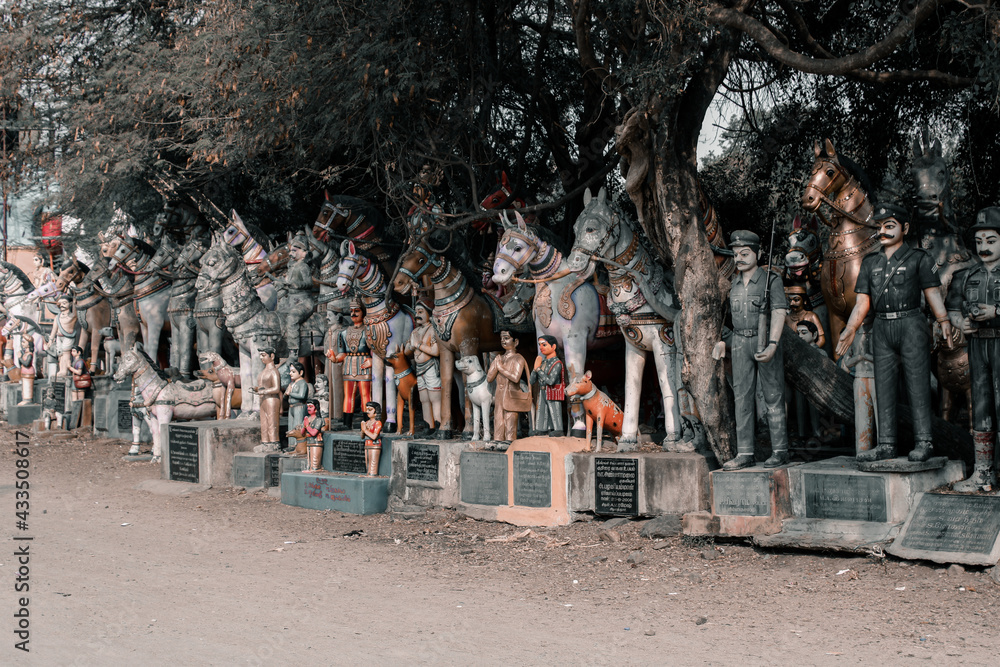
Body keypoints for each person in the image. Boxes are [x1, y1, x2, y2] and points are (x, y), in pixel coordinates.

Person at [836, 204, 952, 463]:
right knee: (884, 386)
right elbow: (862, 301)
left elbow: (932, 292)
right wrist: (851, 328)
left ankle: (925, 441)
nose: (883, 231)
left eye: (889, 226)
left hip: (911, 323)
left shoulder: (919, 259)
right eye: (879, 227)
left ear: (905, 228)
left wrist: (943, 319)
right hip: (882, 327)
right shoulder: (870, 262)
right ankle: (886, 444)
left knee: (917, 383)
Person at [712, 230, 789, 470]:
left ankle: (780, 450)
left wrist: (773, 343)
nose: (739, 259)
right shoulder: (733, 283)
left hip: (764, 340)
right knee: (742, 397)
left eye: (745, 253)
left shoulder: (771, 281)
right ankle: (745, 452)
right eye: (736, 255)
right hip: (739, 342)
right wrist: (722, 341)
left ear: (757, 253)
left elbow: (779, 312)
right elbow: (728, 317)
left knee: (773, 396)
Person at [946, 206, 1000, 491]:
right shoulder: (965, 275)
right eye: (979, 242)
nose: (984, 247)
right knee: (981, 406)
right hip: (978, 346)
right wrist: (961, 323)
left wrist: (997, 310)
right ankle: (983, 473)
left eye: (991, 240)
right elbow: (952, 309)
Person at [327, 300, 371, 430]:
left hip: (364, 363)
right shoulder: (344, 333)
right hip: (348, 364)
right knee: (348, 395)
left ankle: (368, 422)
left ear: (363, 312)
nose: (353, 313)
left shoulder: (368, 331)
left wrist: (372, 361)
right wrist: (334, 359)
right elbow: (343, 354)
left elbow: (375, 350)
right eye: (351, 311)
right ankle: (347, 423)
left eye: (356, 310)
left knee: (365, 395)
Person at [486, 330, 531, 441]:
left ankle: (509, 445)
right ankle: (498, 443)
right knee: (498, 424)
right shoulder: (499, 358)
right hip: (499, 396)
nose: (503, 341)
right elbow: (489, 378)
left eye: (506, 338)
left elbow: (515, 378)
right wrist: (495, 365)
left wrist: (500, 368)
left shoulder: (518, 358)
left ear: (515, 342)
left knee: (510, 424)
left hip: (511, 396)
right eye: (501, 338)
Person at [404, 300, 441, 434]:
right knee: (424, 399)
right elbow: (407, 353)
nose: (417, 315)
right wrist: (410, 346)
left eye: (421, 312)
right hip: (420, 369)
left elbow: (436, 351)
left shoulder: (433, 329)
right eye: (416, 312)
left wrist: (418, 345)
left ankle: (439, 425)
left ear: (430, 314)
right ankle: (428, 426)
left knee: (434, 397)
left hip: (431, 366)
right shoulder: (415, 331)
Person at [841, 325, 878, 457]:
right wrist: (861, 357)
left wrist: (865, 356)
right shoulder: (854, 334)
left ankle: (883, 447)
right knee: (861, 417)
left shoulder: (879, 330)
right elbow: (847, 362)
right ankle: (862, 451)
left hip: (877, 378)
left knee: (881, 417)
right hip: (860, 378)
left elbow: (889, 359)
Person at [281, 232, 317, 359]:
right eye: (291, 251)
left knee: (292, 318)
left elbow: (309, 282)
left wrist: (296, 284)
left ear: (304, 252)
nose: (291, 254)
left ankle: (293, 350)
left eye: (295, 251)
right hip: (290, 300)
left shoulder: (303, 266)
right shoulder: (291, 267)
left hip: (304, 302)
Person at [530, 334, 565, 436]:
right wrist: (534, 368)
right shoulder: (542, 362)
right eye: (540, 345)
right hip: (542, 390)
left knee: (555, 410)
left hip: (553, 390)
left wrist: (538, 369)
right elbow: (532, 381)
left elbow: (550, 381)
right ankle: (541, 428)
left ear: (553, 347)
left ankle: (558, 429)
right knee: (541, 410)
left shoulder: (557, 363)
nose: (541, 348)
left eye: (544, 345)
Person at [253, 347, 282, 452]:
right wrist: (257, 389)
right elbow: (262, 386)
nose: (261, 358)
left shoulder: (274, 371)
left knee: (272, 421)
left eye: (264, 355)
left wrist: (264, 391)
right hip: (263, 399)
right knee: (264, 422)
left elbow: (276, 388)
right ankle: (265, 442)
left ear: (272, 356)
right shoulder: (263, 371)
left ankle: (274, 443)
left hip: (271, 399)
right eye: (260, 355)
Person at [49, 294, 80, 378]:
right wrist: (51, 340)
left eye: (64, 303)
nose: (62, 305)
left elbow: (76, 311)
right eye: (60, 303)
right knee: (60, 353)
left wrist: (74, 303)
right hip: (59, 337)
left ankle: (65, 370)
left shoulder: (72, 316)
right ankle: (61, 369)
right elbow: (54, 329)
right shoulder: (57, 316)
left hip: (68, 337)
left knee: (66, 353)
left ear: (70, 304)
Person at [301, 399, 326, 473]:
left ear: (316, 408)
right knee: (309, 459)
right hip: (309, 441)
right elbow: (302, 433)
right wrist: (304, 426)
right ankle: (310, 468)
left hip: (316, 442)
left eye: (311, 407)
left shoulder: (319, 420)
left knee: (314, 460)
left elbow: (314, 433)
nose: (308, 409)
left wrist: (307, 425)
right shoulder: (307, 419)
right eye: (308, 407)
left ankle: (315, 468)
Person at [284, 361, 310, 433]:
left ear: (301, 372)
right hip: (291, 407)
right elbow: (285, 395)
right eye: (290, 371)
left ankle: (297, 444)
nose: (290, 373)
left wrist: (290, 393)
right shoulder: (292, 383)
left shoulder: (302, 383)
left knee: (297, 426)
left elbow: (301, 395)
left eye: (293, 372)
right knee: (290, 428)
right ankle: (291, 444)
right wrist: (286, 394)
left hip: (299, 407)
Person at [360, 401, 383, 476]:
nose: (367, 412)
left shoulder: (378, 423)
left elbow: (374, 437)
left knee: (373, 464)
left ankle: (372, 475)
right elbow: (362, 436)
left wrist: (365, 430)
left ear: (376, 412)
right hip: (367, 445)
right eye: (367, 410)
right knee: (367, 464)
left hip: (374, 445)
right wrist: (362, 430)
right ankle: (368, 474)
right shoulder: (367, 422)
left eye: (370, 410)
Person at [17, 336, 35, 406]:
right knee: (24, 386)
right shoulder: (25, 353)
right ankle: (25, 399)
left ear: (28, 343)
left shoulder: (30, 354)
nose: (22, 344)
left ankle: (28, 400)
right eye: (22, 342)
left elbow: (26, 364)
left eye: (24, 342)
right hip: (24, 372)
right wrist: (20, 357)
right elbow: (20, 364)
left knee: (28, 386)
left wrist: (20, 358)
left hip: (29, 372)